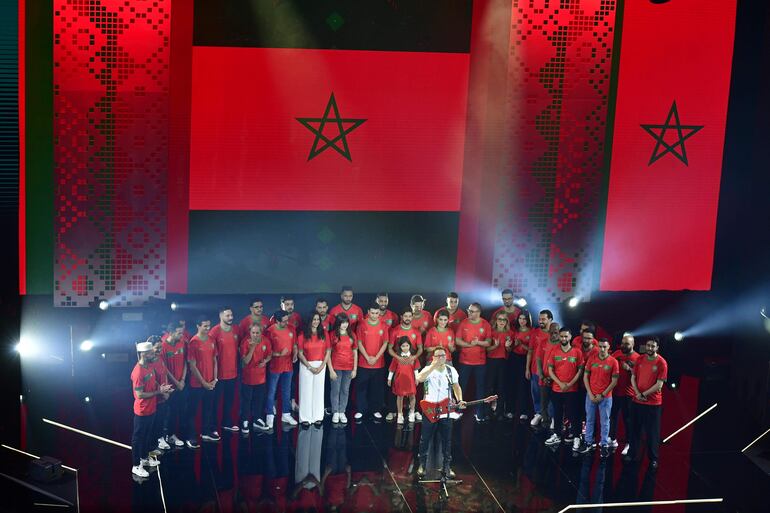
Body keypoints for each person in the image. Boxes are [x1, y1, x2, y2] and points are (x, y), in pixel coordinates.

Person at [416, 347, 466, 478]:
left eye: (442, 355)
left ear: (446, 357)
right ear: (433, 357)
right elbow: (420, 379)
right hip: (430, 409)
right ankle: (421, 464)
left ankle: (447, 466)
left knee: (447, 439)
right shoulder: (428, 369)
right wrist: (433, 366)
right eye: (437, 356)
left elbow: (456, 386)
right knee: (425, 438)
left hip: (445, 410)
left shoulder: (451, 371)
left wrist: (460, 399)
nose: (440, 358)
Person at [131, 341, 172, 478]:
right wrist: (158, 392)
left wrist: (162, 388)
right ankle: (136, 465)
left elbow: (153, 382)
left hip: (151, 409)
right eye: (149, 352)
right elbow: (140, 394)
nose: (152, 353)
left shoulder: (149, 366)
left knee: (147, 436)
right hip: (142, 411)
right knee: (139, 438)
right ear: (143, 354)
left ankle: (145, 458)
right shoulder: (138, 372)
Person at [626, 337, 668, 468]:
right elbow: (633, 377)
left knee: (652, 433)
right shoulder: (639, 359)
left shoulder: (662, 363)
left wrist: (644, 394)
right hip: (637, 401)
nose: (650, 348)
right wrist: (637, 393)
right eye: (648, 346)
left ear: (657, 348)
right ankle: (632, 454)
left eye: (653, 346)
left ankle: (653, 459)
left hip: (653, 404)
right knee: (634, 430)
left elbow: (659, 385)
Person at [578, 338, 619, 458]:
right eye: (600, 346)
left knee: (605, 421)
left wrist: (602, 394)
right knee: (589, 420)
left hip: (605, 398)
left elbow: (614, 381)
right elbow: (585, 377)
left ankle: (604, 444)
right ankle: (588, 442)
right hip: (590, 395)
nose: (602, 349)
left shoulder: (613, 362)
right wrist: (590, 393)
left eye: (604, 347)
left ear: (608, 347)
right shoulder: (592, 359)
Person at [545, 328, 584, 450]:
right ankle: (557, 434)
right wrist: (560, 383)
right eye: (561, 336)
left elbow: (580, 370)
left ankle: (576, 436)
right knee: (557, 413)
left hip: (572, 390)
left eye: (566, 336)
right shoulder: (554, 351)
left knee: (573, 414)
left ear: (570, 336)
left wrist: (570, 383)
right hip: (557, 389)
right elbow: (550, 370)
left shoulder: (577, 352)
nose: (563, 339)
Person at [186, 316, 219, 447]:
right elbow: (192, 366)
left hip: (211, 382)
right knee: (193, 411)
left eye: (208, 326)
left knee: (208, 409)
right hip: (197, 384)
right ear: (198, 326)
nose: (207, 328)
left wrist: (215, 379)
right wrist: (204, 382)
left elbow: (214, 360)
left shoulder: (211, 339)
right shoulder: (193, 342)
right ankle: (191, 436)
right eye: (205, 326)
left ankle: (205, 432)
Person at [456, 303, 492, 422]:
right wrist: (468, 344)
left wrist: (478, 343)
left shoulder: (485, 324)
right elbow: (457, 340)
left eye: (473, 311)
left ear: (479, 312)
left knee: (480, 388)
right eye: (469, 310)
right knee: (461, 386)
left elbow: (488, 342)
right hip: (464, 361)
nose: (470, 313)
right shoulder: (463, 323)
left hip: (480, 362)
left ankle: (479, 413)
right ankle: (458, 411)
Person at [386, 308, 424, 421]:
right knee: (398, 393)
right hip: (399, 368)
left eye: (409, 316)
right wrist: (398, 358)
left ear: (412, 317)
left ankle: (413, 411)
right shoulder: (395, 330)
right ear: (401, 316)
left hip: (411, 367)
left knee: (412, 393)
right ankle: (395, 412)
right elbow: (389, 348)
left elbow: (420, 349)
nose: (407, 318)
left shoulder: (416, 332)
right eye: (405, 316)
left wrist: (414, 357)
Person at [354, 305, 389, 420]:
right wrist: (367, 357)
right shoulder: (362, 324)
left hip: (378, 363)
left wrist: (376, 357)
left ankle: (376, 409)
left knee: (377, 388)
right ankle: (360, 409)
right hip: (364, 362)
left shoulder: (383, 325)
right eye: (372, 313)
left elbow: (385, 343)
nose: (374, 315)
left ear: (379, 313)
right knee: (361, 387)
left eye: (376, 313)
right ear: (368, 311)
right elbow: (359, 342)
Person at [209, 307, 240, 432]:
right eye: (227, 315)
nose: (230, 317)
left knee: (229, 401)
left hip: (232, 373)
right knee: (215, 402)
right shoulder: (214, 332)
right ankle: (212, 427)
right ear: (221, 316)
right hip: (219, 375)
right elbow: (211, 355)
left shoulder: (236, 330)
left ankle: (226, 423)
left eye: (231, 315)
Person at [265, 310, 298, 427]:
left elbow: (294, 344)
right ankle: (269, 414)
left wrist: (295, 353)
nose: (286, 322)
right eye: (284, 321)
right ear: (277, 321)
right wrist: (279, 354)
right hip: (275, 367)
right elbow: (266, 352)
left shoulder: (291, 329)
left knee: (286, 391)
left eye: (287, 320)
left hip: (288, 366)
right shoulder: (270, 331)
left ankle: (286, 414)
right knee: (271, 391)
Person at [297, 313, 331, 426]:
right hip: (306, 365)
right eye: (313, 319)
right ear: (309, 321)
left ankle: (317, 416)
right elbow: (300, 354)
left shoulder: (324, 334)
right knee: (306, 392)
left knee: (318, 391)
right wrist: (309, 366)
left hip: (321, 365)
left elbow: (328, 351)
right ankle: (305, 418)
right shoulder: (302, 335)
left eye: (317, 319)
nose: (316, 321)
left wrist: (322, 366)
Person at [610, 334, 640, 454]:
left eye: (627, 344)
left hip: (629, 394)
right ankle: (612, 439)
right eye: (623, 343)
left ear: (632, 345)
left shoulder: (637, 358)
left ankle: (628, 443)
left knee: (628, 420)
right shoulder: (616, 354)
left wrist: (629, 369)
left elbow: (641, 377)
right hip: (615, 392)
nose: (624, 346)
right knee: (613, 417)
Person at [240, 323, 272, 433]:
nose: (255, 335)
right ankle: (245, 421)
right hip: (248, 378)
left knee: (259, 400)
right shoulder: (245, 343)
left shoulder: (266, 341)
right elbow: (245, 361)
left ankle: (257, 419)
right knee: (247, 401)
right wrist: (252, 347)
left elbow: (269, 355)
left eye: (257, 333)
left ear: (261, 332)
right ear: (250, 333)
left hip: (261, 378)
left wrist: (265, 361)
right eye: (253, 333)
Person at [159, 325, 187, 447]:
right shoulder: (163, 346)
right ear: (171, 332)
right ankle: (162, 437)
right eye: (179, 333)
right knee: (166, 413)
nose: (181, 335)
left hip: (181, 384)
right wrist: (176, 382)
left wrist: (183, 380)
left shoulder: (182, 343)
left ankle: (171, 435)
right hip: (169, 386)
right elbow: (164, 368)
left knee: (176, 411)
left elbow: (185, 362)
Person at [328, 313, 357, 423]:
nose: (344, 325)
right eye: (342, 323)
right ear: (338, 323)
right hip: (336, 367)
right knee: (335, 390)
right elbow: (328, 353)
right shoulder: (333, 335)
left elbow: (355, 352)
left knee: (345, 390)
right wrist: (330, 370)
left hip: (349, 367)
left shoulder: (352, 335)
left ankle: (342, 411)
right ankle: (335, 411)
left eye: (346, 322)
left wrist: (355, 369)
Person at [527, 309, 553, 427]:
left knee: (550, 395)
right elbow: (530, 351)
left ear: (550, 320)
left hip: (549, 372)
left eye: (544, 319)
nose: (541, 321)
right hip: (535, 369)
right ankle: (538, 413)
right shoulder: (535, 333)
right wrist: (527, 368)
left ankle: (550, 416)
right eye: (540, 319)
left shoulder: (554, 334)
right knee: (536, 393)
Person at [388, 337, 420, 424]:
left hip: (410, 380)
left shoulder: (413, 357)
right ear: (400, 347)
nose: (405, 348)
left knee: (412, 396)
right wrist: (389, 378)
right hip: (399, 380)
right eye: (403, 346)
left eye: (407, 345)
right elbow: (392, 369)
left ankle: (412, 412)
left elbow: (416, 369)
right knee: (400, 397)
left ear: (410, 346)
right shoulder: (396, 357)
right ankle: (400, 414)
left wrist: (417, 378)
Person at [486, 312, 512, 420]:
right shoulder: (491, 332)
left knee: (501, 387)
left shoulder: (510, 333)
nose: (502, 322)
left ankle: (500, 411)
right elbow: (486, 350)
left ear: (507, 322)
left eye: (504, 320)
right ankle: (486, 411)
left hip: (503, 362)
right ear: (496, 320)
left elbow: (510, 351)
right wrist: (495, 346)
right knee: (489, 387)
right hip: (491, 361)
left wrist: (507, 347)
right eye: (500, 319)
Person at [510, 312, 533, 421]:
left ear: (528, 320)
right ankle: (513, 410)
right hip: (514, 358)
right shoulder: (516, 331)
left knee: (524, 386)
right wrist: (511, 344)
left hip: (526, 359)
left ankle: (525, 411)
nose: (522, 321)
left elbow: (532, 350)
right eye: (520, 318)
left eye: (524, 319)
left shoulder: (532, 332)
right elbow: (512, 347)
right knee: (513, 385)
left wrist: (521, 344)